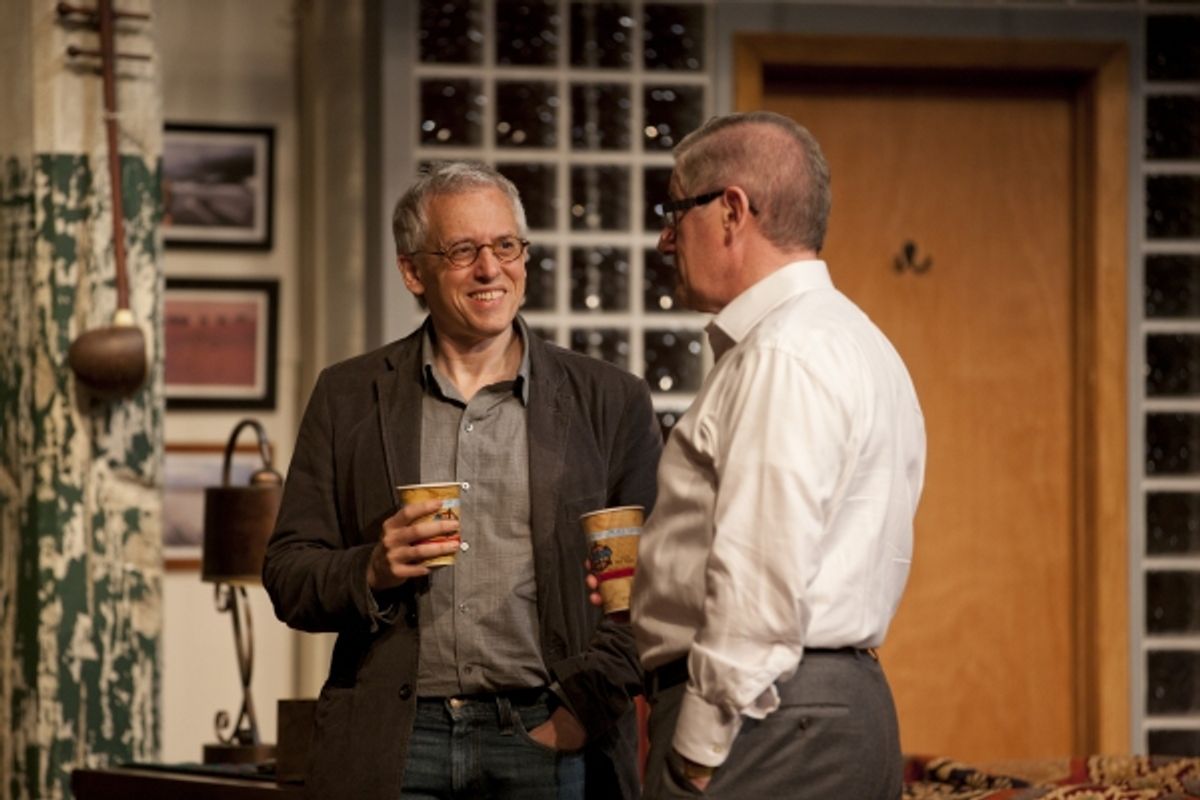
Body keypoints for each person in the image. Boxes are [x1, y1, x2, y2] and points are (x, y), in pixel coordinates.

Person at [263, 161, 662, 800]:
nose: (489, 269)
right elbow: (288, 574)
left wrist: (580, 713)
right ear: (411, 271)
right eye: (461, 251)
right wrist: (372, 568)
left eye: (505, 246)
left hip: (549, 733)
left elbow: (659, 586)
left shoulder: (611, 401)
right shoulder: (347, 396)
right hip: (396, 743)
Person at [629, 111, 927, 798]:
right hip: (831, 706)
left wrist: (697, 752)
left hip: (764, 719)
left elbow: (760, 577)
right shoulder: (862, 341)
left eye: (676, 210)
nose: (665, 237)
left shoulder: (781, 354)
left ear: (732, 211)